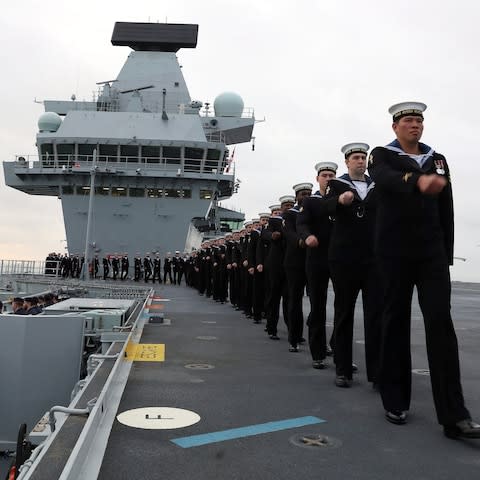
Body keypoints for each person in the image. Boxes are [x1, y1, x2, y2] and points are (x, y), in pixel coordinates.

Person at [368, 101, 480, 438]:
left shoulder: (438, 159)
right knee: (395, 320)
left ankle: (454, 416)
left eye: (419, 121)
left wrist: (447, 252)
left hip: (431, 253)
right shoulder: (382, 155)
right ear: (396, 127)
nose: (415, 126)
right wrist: (416, 181)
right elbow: (383, 178)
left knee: (440, 324)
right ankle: (395, 400)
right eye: (409, 121)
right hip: (394, 252)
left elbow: (447, 207)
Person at [322, 143, 382, 388]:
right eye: (356, 157)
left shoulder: (376, 185)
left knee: (375, 316)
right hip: (344, 258)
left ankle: (377, 373)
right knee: (344, 313)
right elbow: (324, 207)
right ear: (347, 162)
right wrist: (339, 201)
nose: (360, 161)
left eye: (363, 157)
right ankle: (343, 369)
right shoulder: (337, 185)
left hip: (373, 259)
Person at [297, 162, 337, 369]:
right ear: (318, 179)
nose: (328, 178)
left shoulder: (342, 199)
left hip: (340, 258)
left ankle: (340, 351)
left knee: (343, 307)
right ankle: (318, 353)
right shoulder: (311, 202)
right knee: (318, 307)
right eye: (325, 175)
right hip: (317, 259)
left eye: (331, 175)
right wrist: (308, 236)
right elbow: (301, 223)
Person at [283, 183, 312, 352]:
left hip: (313, 260)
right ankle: (294, 337)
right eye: (303, 193)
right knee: (295, 299)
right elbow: (289, 233)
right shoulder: (289, 215)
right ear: (297, 197)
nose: (306, 196)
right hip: (295, 262)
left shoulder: (315, 209)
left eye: (308, 193)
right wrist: (301, 241)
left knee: (316, 301)